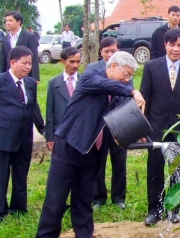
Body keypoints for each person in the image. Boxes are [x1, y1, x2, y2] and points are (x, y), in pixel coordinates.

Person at [36, 51, 145, 238]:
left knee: (84, 201)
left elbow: (120, 116)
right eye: (126, 74)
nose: (127, 79)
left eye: (130, 77)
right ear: (112, 66)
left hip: (94, 152)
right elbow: (103, 85)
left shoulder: (118, 91)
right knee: (56, 201)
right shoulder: (90, 77)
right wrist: (132, 91)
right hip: (70, 145)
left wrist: (136, 131)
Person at [140, 28, 180, 225]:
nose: (176, 49)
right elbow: (145, 98)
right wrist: (142, 127)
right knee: (155, 169)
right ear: (165, 45)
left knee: (177, 170)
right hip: (157, 127)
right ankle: (154, 210)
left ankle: (173, 209)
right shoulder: (151, 67)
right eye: (172, 45)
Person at [0, 46, 44, 226]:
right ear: (13, 62)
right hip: (1, 138)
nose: (28, 67)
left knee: (21, 174)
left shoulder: (30, 83)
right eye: (24, 63)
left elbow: (33, 108)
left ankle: (19, 208)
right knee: (0, 177)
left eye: (30, 63)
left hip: (24, 137)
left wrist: (43, 129)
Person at [91, 37, 133, 210]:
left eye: (113, 51)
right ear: (100, 52)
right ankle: (98, 198)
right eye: (106, 51)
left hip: (119, 122)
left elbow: (128, 95)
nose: (109, 54)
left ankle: (119, 198)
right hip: (99, 125)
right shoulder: (93, 69)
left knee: (119, 161)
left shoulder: (125, 68)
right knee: (97, 163)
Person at [45, 47, 81, 151]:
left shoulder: (84, 82)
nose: (75, 65)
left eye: (78, 62)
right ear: (62, 61)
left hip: (79, 133)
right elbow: (50, 112)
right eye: (71, 62)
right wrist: (49, 137)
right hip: (60, 132)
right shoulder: (54, 83)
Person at [0, 11, 40, 82]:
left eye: (10, 21)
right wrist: (0, 75)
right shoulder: (5, 39)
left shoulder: (29, 37)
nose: (7, 23)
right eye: (6, 21)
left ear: (19, 22)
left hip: (25, 76)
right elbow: (2, 59)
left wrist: (35, 77)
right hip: (9, 75)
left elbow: (34, 58)